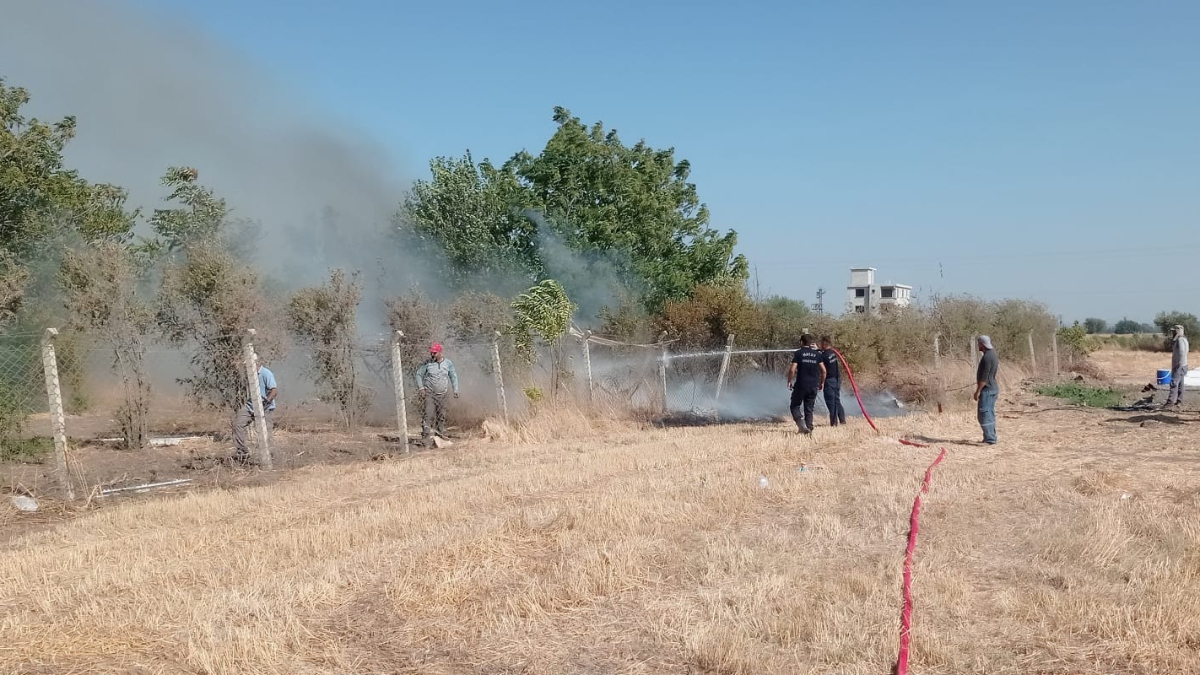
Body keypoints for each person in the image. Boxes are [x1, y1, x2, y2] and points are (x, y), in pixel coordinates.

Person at [232, 358, 277, 464]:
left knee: (266, 433)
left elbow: (274, 391)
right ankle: (242, 453)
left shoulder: (266, 373)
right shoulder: (250, 375)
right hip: (250, 406)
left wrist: (266, 402)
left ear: (256, 363)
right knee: (238, 424)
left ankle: (269, 457)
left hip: (265, 407)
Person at [416, 342, 459, 440]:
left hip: (443, 394)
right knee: (428, 414)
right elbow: (418, 374)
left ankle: (440, 433)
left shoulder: (448, 363)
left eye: (434, 353)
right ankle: (425, 436)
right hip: (430, 394)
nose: (432, 355)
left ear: (440, 352)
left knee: (441, 415)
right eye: (431, 353)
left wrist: (455, 389)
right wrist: (421, 388)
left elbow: (453, 376)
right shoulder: (427, 364)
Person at [787, 334, 826, 434]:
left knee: (794, 406)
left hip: (801, 385)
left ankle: (802, 426)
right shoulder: (817, 354)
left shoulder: (798, 354)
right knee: (809, 408)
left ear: (801, 342)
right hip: (813, 385)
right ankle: (809, 428)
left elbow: (792, 370)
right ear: (811, 343)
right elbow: (824, 371)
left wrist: (789, 381)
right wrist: (822, 382)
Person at [973, 335, 999, 445]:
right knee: (989, 413)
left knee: (984, 414)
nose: (978, 345)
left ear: (982, 344)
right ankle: (990, 437)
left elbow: (984, 377)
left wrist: (977, 391)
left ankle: (990, 439)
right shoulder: (993, 354)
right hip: (993, 388)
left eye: (978, 343)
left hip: (987, 389)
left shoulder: (987, 357)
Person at [819, 336, 847, 427]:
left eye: (821, 343)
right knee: (836, 400)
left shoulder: (824, 356)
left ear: (824, 344)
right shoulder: (832, 352)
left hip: (829, 381)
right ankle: (842, 420)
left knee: (831, 402)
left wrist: (821, 382)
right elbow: (823, 354)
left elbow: (822, 368)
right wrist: (817, 349)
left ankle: (834, 424)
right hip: (837, 379)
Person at [1165, 324, 1189, 408]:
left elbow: (1182, 352)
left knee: (1174, 383)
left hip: (1179, 365)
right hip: (1183, 365)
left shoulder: (1180, 340)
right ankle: (1179, 401)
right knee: (1180, 384)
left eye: (1174, 331)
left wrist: (1178, 363)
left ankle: (1170, 403)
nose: (1173, 333)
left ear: (1177, 331)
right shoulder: (1184, 339)